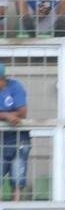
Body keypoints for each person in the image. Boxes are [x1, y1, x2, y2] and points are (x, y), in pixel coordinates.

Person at [0, 64, 31, 202]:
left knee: (18, 179)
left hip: (19, 140)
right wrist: (7, 116)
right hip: (1, 140)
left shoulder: (15, 86)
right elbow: (15, 113)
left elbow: (22, 112)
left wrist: (4, 114)